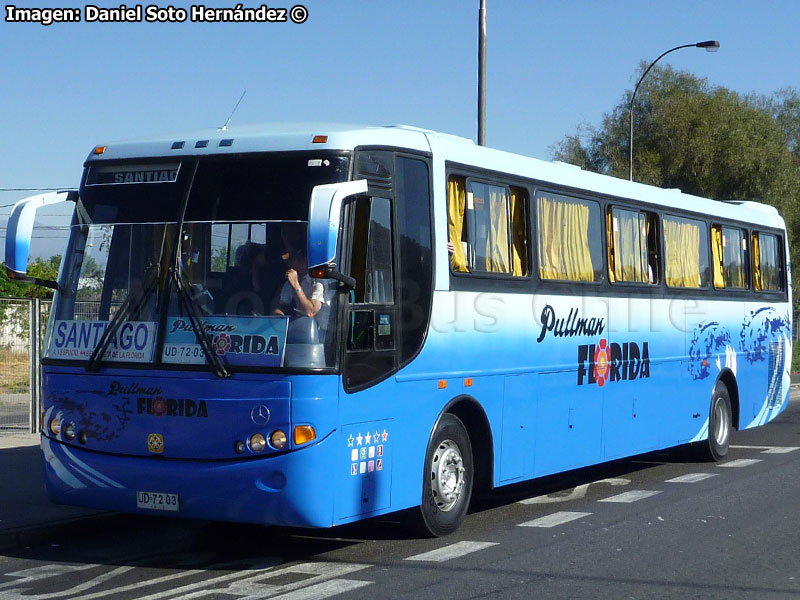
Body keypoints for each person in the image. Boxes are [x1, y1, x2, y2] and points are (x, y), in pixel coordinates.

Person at [270, 238, 325, 318]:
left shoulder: (318, 283)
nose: (289, 263)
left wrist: (296, 286)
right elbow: (282, 305)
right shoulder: (289, 283)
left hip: (321, 328)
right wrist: (278, 315)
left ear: (304, 261)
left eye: (292, 259)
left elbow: (310, 313)